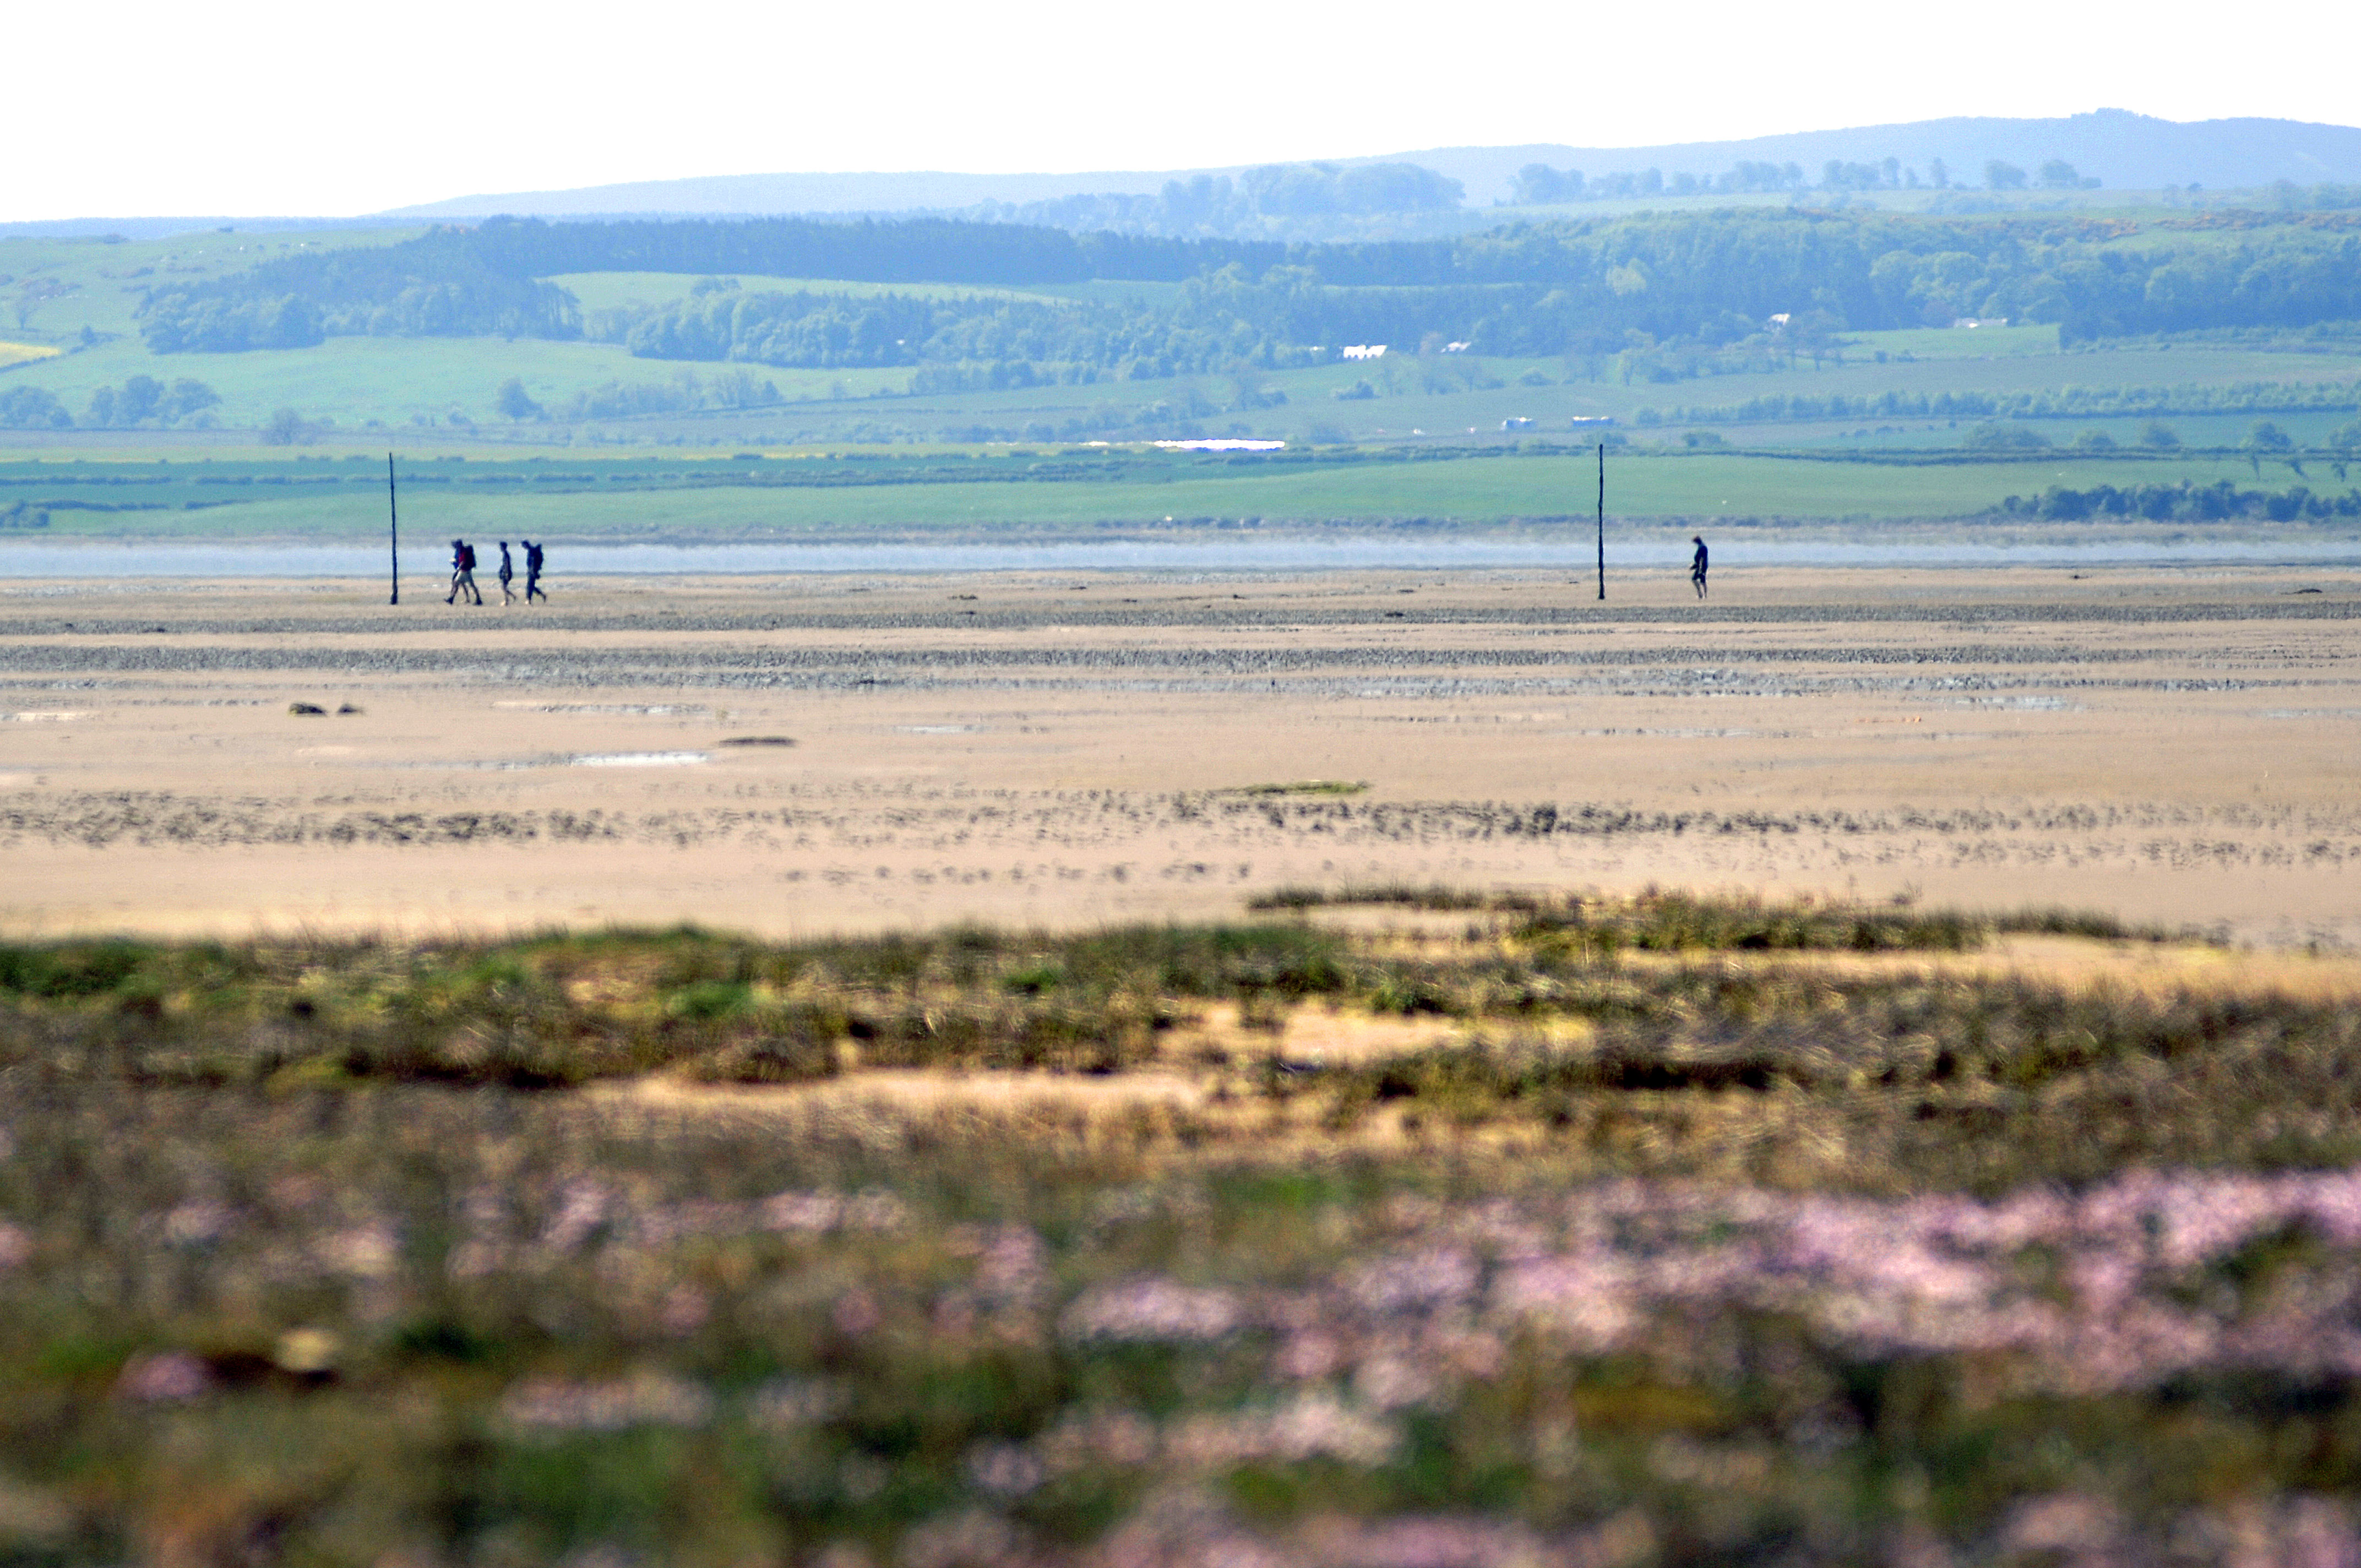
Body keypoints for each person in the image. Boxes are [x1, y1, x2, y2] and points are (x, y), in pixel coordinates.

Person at [446, 538, 482, 605]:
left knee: (470, 585)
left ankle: (478, 599)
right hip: (464, 571)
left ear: (459, 545)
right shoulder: (461, 551)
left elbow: (463, 561)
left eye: (457, 544)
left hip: (464, 571)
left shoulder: (463, 551)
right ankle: (451, 599)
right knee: (457, 583)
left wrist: (459, 568)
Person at [523, 538, 547, 603]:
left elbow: (533, 563)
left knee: (530, 586)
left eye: (523, 546)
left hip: (532, 571)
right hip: (532, 570)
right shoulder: (531, 551)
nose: (523, 548)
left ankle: (529, 599)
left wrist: (533, 571)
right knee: (531, 586)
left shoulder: (532, 552)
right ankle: (542, 595)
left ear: (526, 545)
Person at [1690, 535, 1709, 599]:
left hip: (1702, 566)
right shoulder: (1702, 547)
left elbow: (1702, 558)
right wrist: (1695, 566)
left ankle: (1702, 594)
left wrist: (1700, 567)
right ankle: (1702, 594)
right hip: (1701, 566)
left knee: (1697, 580)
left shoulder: (1702, 547)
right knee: (1701, 581)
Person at [497, 541, 516, 606]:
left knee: (504, 587)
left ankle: (507, 600)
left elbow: (507, 564)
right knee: (504, 587)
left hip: (507, 573)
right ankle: (511, 597)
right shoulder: (505, 554)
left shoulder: (506, 554)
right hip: (505, 572)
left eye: (501, 547)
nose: (500, 548)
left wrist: (507, 573)